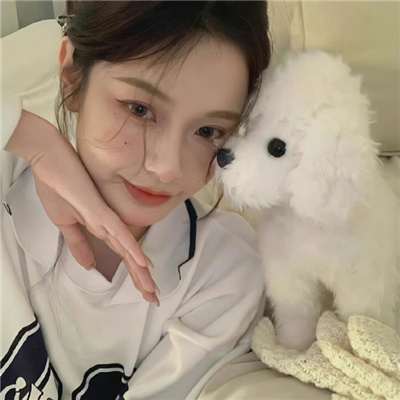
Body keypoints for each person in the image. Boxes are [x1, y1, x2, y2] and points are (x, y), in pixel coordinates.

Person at [1, 1, 271, 399]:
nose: (167, 168)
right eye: (140, 109)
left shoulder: (223, 272)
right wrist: (34, 141)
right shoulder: (6, 172)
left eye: (208, 131)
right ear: (72, 76)